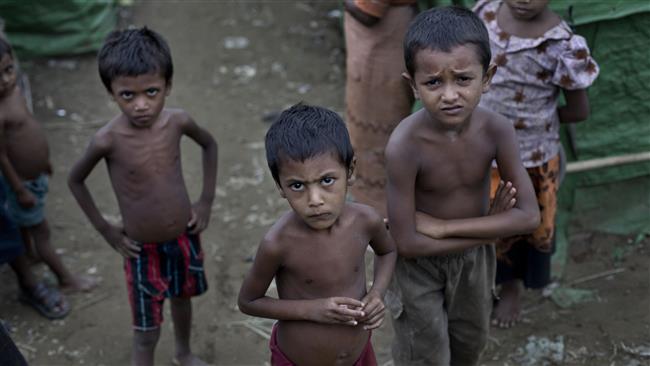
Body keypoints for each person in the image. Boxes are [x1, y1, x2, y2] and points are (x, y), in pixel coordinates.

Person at [385, 7, 541, 365]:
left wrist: (443, 228)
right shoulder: (404, 146)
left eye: (463, 79)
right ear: (412, 85)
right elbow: (406, 242)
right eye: (433, 82)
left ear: (487, 77)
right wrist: (490, 230)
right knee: (426, 355)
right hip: (418, 270)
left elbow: (530, 216)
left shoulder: (497, 130)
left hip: (474, 264)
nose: (450, 95)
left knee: (469, 344)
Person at [67, 27, 218, 366]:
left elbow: (209, 144)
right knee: (146, 332)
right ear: (111, 93)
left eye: (152, 92)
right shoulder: (108, 140)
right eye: (127, 95)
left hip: (184, 238)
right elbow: (75, 180)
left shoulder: (178, 122)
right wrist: (106, 229)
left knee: (182, 299)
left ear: (168, 86)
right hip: (140, 251)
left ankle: (183, 352)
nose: (141, 105)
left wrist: (205, 201)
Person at [238, 104, 396, 366]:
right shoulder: (278, 243)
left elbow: (388, 251)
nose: (315, 200)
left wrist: (377, 293)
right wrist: (311, 310)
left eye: (326, 180)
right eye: (297, 185)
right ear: (280, 186)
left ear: (350, 171)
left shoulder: (366, 220)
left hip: (359, 355)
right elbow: (248, 301)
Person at [473, 0, 599, 328]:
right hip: (479, 149)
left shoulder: (563, 45)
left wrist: (536, 122)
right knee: (482, 218)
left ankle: (511, 287)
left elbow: (579, 110)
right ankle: (477, 280)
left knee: (521, 227)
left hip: (530, 159)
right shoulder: (485, 12)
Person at [0, 35, 96, 295]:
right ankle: (66, 279)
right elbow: (2, 157)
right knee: (42, 231)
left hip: (35, 176)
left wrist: (44, 162)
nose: (6, 79)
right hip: (23, 185)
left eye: (8, 70)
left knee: (27, 226)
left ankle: (29, 253)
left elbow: (28, 131)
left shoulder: (15, 91)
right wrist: (19, 190)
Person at [343, 0, 416, 216]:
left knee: (375, 128)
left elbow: (367, 13)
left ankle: (380, 213)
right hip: (387, 34)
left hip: (381, 40)